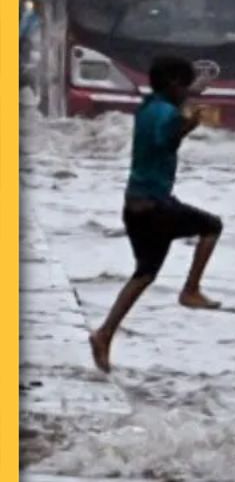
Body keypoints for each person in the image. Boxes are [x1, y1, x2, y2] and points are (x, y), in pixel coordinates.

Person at [88, 57, 223, 373]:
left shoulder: (149, 106)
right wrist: (188, 125)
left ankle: (104, 333)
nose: (187, 92)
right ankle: (190, 290)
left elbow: (168, 120)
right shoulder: (167, 114)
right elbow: (167, 138)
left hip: (135, 206)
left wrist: (190, 105)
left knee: (145, 274)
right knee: (212, 226)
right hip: (154, 207)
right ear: (175, 83)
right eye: (185, 85)